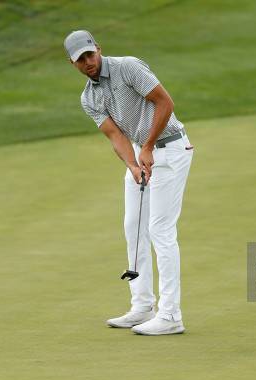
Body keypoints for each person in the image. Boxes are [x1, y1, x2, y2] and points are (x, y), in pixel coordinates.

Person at [64, 30, 193, 335]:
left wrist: (147, 147)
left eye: (89, 54)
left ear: (98, 48)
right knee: (133, 226)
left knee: (159, 229)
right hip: (141, 151)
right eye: (80, 60)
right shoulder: (89, 97)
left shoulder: (128, 67)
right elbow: (115, 136)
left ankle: (171, 315)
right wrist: (133, 165)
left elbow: (165, 103)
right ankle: (142, 306)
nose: (88, 62)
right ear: (73, 64)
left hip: (171, 149)